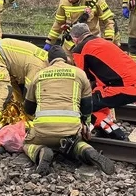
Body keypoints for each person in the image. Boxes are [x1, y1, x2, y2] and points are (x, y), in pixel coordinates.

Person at [22, 47, 116, 175]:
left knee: (26, 143)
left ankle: (40, 151)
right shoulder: (79, 73)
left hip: (43, 129)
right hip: (70, 128)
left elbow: (28, 108)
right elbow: (87, 106)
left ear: (49, 62)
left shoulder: (38, 75)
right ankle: (88, 151)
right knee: (75, 143)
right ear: (66, 59)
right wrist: (86, 126)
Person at [68, 22, 136, 140]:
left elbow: (82, 78)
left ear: (75, 39)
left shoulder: (80, 49)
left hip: (126, 87)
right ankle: (102, 129)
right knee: (98, 99)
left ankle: (118, 135)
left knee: (85, 104)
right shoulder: (102, 41)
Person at [0, 38, 47, 152]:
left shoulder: (46, 61)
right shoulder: (40, 67)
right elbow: (29, 96)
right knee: (2, 92)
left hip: (8, 60)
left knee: (18, 97)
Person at [45, 0, 115, 49]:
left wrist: (108, 40)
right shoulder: (64, 1)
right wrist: (49, 41)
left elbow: (108, 21)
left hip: (91, 44)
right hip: (70, 46)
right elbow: (58, 23)